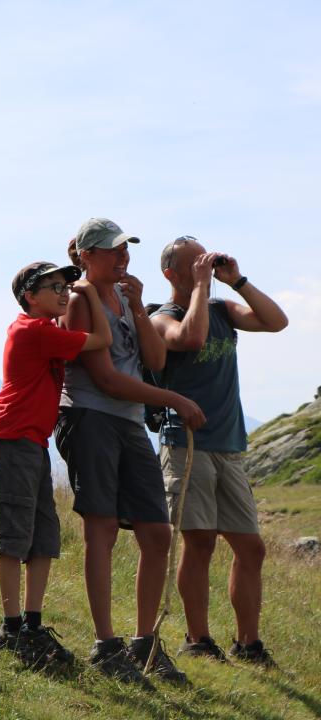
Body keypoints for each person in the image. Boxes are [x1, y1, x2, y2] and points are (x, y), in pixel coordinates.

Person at [55, 218, 206, 683]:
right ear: (84, 255)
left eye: (124, 249)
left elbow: (156, 362)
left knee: (157, 533)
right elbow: (103, 377)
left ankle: (144, 642)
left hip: (127, 420)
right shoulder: (79, 299)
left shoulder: (123, 295)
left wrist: (139, 305)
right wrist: (175, 401)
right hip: (91, 416)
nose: (121, 257)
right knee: (102, 529)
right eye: (109, 250)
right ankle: (106, 645)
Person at [150, 236, 288, 665]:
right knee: (201, 543)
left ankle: (248, 644)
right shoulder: (161, 318)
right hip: (186, 444)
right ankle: (198, 639)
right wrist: (202, 288)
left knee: (251, 548)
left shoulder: (223, 310)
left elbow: (276, 322)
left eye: (208, 262)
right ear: (171, 273)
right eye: (196, 265)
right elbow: (189, 339)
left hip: (228, 446)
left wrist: (238, 280)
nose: (205, 269)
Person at [0, 261, 112, 668]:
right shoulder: (33, 331)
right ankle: (10, 626)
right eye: (54, 287)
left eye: (66, 286)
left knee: (43, 536)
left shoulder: (47, 332)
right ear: (29, 296)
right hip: (13, 436)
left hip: (32, 440)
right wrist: (89, 292)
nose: (63, 292)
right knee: (15, 529)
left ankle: (31, 625)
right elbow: (102, 339)